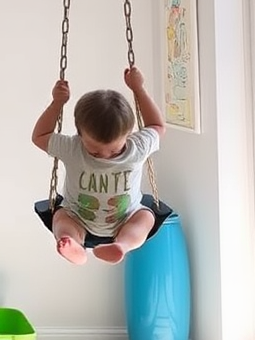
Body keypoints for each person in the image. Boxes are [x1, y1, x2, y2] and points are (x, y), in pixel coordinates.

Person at [32, 67, 166, 266]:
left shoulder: (137, 147)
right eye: (94, 151)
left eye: (113, 151)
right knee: (60, 218)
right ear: (79, 134)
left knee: (146, 218)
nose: (104, 155)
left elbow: (157, 125)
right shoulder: (73, 148)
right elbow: (39, 137)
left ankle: (121, 245)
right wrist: (57, 103)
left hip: (127, 217)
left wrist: (139, 89)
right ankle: (73, 245)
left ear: (129, 134)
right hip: (77, 217)